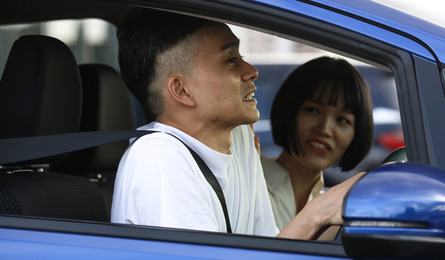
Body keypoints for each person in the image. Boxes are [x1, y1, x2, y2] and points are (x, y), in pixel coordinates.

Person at [111, 8, 365, 240]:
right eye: (231, 60)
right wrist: (318, 212)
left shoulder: (239, 141)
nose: (251, 70)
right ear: (182, 90)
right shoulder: (159, 158)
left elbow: (269, 249)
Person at [261, 57, 373, 235]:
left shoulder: (335, 208)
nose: (325, 129)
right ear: (289, 111)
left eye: (342, 120)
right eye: (313, 110)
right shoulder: (249, 182)